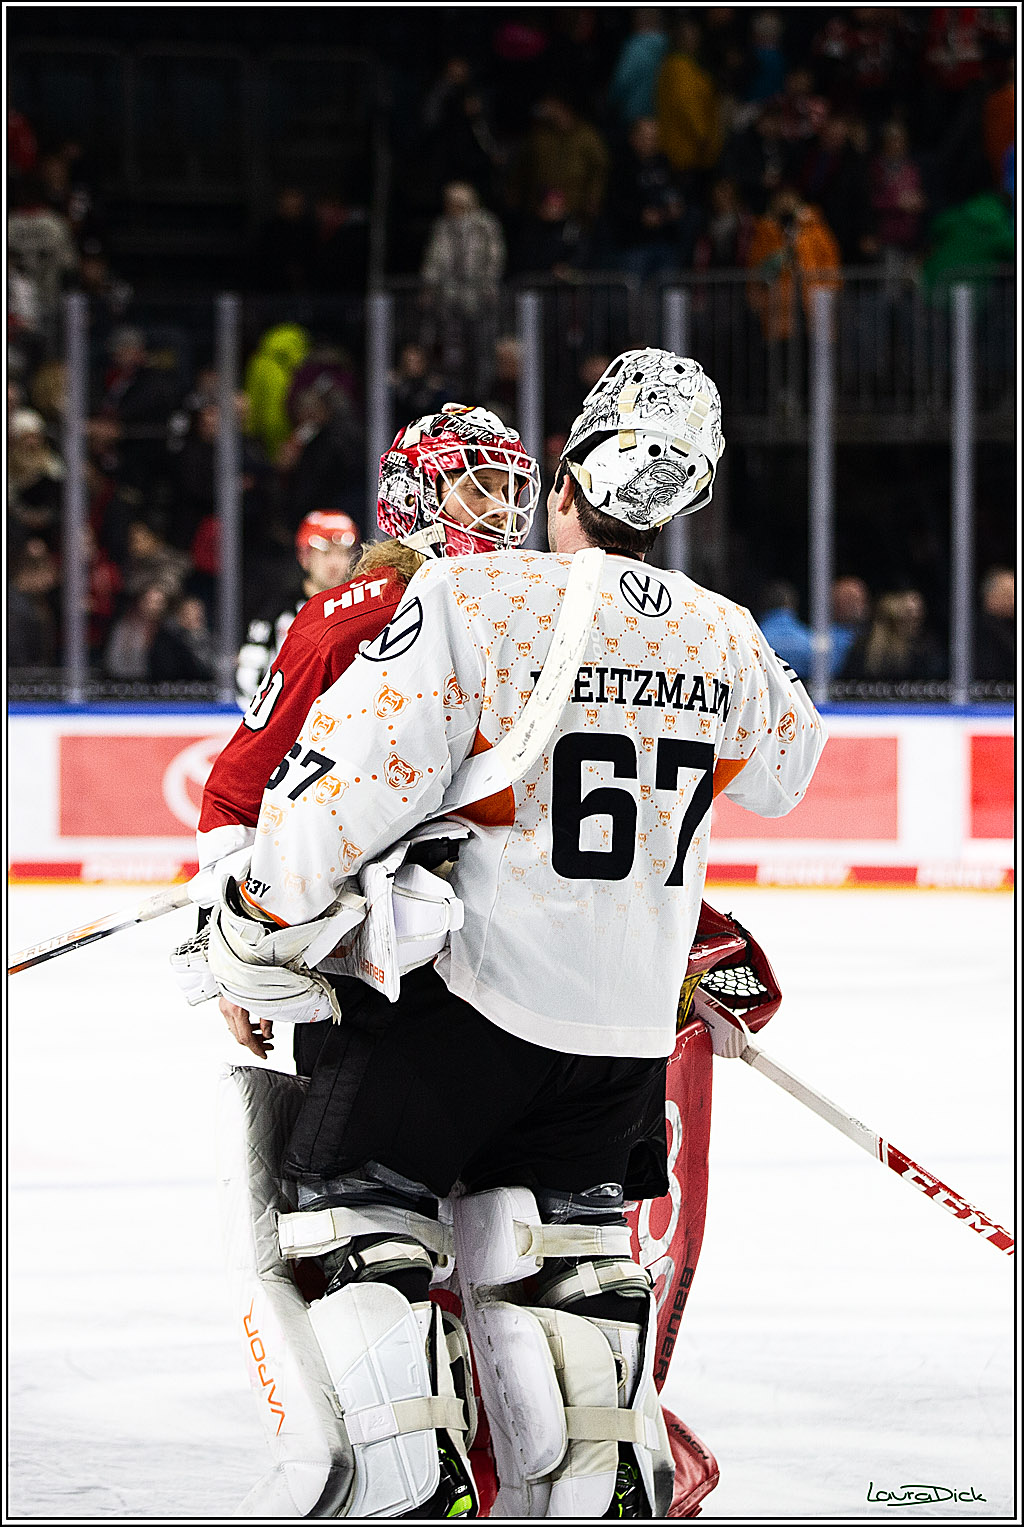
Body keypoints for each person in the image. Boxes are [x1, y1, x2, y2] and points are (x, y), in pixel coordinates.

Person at [198, 354, 824, 1517]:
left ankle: (410, 1480)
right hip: (625, 1038)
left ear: (567, 483)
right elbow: (786, 769)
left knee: (348, 1211)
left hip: (469, 1006)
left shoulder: (474, 600)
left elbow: (339, 793)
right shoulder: (725, 631)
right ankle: (605, 1486)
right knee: (576, 1258)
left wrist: (254, 921)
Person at [235, 509, 360, 708]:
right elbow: (248, 681)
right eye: (325, 552)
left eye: (342, 552)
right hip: (290, 725)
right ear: (304, 556)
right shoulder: (276, 613)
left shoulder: (364, 611)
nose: (335, 562)